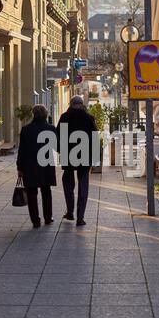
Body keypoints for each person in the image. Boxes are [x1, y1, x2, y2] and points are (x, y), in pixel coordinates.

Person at [57, 96, 99, 227]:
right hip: (85, 155)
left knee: (68, 183)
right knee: (83, 185)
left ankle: (70, 212)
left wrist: (60, 151)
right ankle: (80, 218)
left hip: (68, 155)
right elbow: (95, 138)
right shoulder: (89, 118)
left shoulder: (65, 117)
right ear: (82, 105)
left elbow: (57, 136)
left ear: (71, 104)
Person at [17, 105, 57, 229]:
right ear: (46, 114)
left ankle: (35, 220)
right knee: (46, 191)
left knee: (32, 193)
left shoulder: (26, 129)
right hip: (46, 165)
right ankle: (48, 217)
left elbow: (21, 150)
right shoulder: (51, 129)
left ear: (33, 114)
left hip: (30, 165)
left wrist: (20, 167)